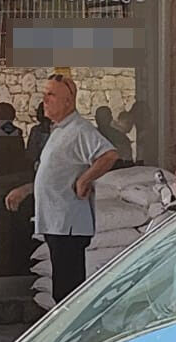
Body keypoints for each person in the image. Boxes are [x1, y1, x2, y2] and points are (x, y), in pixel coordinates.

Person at [6, 73, 121, 302]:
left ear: (68, 102)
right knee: (62, 286)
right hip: (55, 221)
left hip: (68, 222)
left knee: (68, 290)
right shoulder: (59, 130)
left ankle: (71, 334)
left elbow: (109, 155)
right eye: (44, 94)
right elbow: (55, 174)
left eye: (51, 95)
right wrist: (27, 190)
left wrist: (84, 180)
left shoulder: (79, 129)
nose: (44, 100)